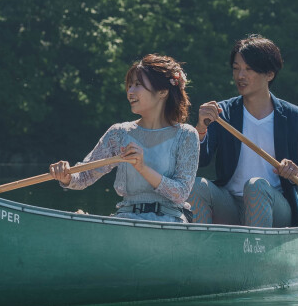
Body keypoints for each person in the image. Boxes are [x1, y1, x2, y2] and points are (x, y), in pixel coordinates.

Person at [49, 54, 199, 222]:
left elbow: (181, 193)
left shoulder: (186, 135)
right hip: (125, 219)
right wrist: (67, 177)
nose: (130, 92)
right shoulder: (119, 133)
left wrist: (142, 168)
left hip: (169, 222)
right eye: (129, 86)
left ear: (163, 92)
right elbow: (85, 176)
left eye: (137, 85)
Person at [189, 34, 298, 227]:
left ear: (269, 74)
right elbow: (200, 161)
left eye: (248, 69)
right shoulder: (222, 113)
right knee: (197, 186)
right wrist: (200, 128)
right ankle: (200, 252)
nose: (240, 76)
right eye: (236, 69)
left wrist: (296, 172)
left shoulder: (294, 116)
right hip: (230, 205)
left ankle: (257, 251)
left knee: (256, 186)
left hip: (275, 206)